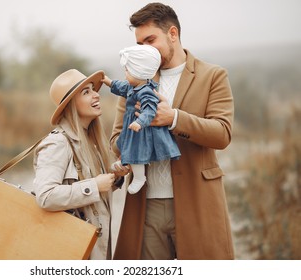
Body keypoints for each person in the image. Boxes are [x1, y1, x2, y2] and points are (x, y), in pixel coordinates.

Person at [111, 3, 235, 260]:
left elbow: (222, 133)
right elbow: (115, 140)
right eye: (139, 43)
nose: (144, 49)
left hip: (197, 201)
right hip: (145, 206)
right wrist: (132, 144)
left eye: (150, 40)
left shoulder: (213, 76)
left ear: (173, 34)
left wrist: (175, 119)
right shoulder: (135, 80)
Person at [32, 69, 128, 260]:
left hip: (92, 248)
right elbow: (45, 196)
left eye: (93, 89)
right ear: (70, 105)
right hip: (72, 250)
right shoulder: (58, 143)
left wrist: (116, 176)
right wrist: (94, 186)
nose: (96, 95)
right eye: (86, 92)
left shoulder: (91, 142)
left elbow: (95, 186)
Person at [102, 44, 180, 195]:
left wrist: (140, 122)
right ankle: (125, 161)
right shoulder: (134, 87)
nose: (125, 73)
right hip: (131, 128)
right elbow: (121, 87)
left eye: (127, 70)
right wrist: (108, 82)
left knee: (137, 152)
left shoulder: (146, 92)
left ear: (139, 72)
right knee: (125, 145)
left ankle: (139, 177)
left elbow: (150, 110)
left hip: (141, 131)